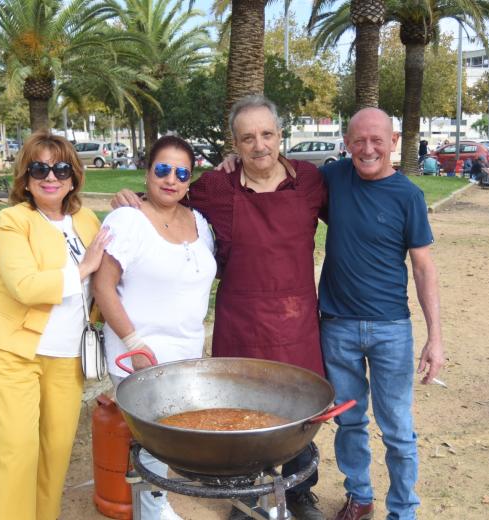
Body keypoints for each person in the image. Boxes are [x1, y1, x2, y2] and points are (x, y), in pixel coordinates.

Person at [113, 95, 329, 520]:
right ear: (235, 144)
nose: (259, 145)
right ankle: (243, 493)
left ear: (281, 136)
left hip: (296, 319)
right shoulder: (217, 186)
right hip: (242, 320)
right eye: (247, 138)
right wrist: (132, 199)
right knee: (240, 404)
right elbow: (169, 200)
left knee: (300, 409)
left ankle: (300, 492)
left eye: (267, 134)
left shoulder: (310, 182)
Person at [0, 130, 111, 520]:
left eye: (61, 167)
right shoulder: (13, 221)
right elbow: (26, 286)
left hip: (67, 357)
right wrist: (83, 268)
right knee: (16, 453)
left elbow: (108, 276)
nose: (51, 177)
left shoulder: (86, 219)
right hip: (12, 353)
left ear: (74, 175)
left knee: (54, 453)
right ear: (25, 177)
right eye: (39, 168)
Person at [319, 108, 443, 520]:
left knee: (397, 431)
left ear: (394, 141)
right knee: (349, 421)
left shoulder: (409, 195)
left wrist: (435, 337)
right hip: (337, 326)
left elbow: (423, 267)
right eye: (358, 140)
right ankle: (360, 495)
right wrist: (231, 161)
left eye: (377, 140)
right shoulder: (334, 177)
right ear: (347, 142)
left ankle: (403, 510)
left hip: (391, 329)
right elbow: (277, 171)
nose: (367, 149)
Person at [93, 136, 217, 520]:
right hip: (138, 354)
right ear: (147, 171)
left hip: (184, 353)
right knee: (155, 437)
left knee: (169, 434)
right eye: (162, 169)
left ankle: (155, 505)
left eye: (182, 173)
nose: (171, 179)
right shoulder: (127, 219)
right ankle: (153, 511)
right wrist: (135, 344)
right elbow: (102, 284)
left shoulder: (199, 222)